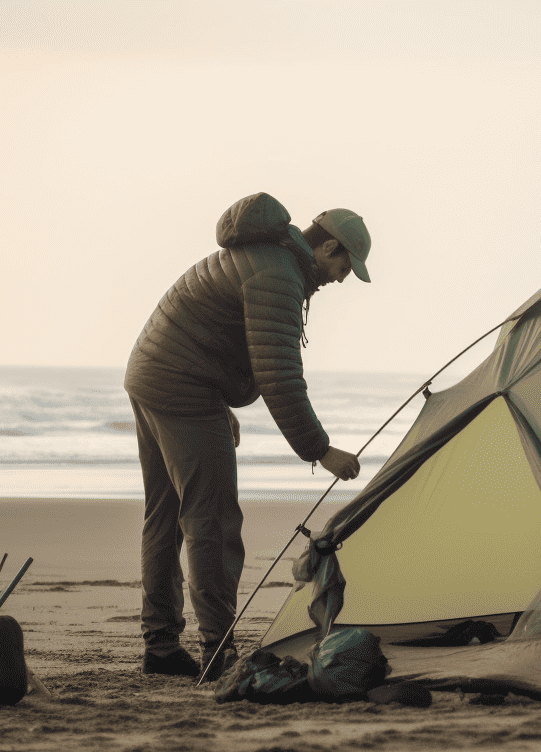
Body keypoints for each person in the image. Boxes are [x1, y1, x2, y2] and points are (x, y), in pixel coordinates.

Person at [124, 193, 368, 680]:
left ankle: (162, 647)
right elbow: (279, 376)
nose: (342, 279)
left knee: (166, 517)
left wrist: (217, 402)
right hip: (180, 386)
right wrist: (320, 450)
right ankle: (218, 652)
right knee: (210, 521)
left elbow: (210, 332)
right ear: (328, 249)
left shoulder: (267, 258)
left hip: (152, 373)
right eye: (346, 266)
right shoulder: (278, 276)